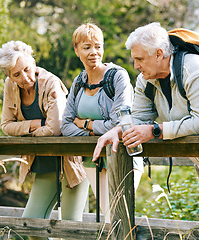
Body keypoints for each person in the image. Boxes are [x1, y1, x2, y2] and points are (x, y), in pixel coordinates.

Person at [93, 22, 199, 232]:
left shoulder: (195, 69)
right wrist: (116, 130)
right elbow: (139, 117)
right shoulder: (146, 80)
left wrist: (155, 130)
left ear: (159, 54)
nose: (136, 66)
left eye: (140, 59)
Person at [0, 40, 89, 240]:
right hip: (43, 163)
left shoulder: (50, 83)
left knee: (71, 231)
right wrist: (36, 124)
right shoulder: (10, 86)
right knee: (30, 225)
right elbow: (6, 126)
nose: (25, 78)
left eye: (27, 70)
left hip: (69, 163)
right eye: (16, 74)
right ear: (8, 75)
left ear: (33, 62)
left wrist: (25, 130)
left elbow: (55, 129)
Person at [60, 23, 143, 223]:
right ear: (76, 50)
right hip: (93, 159)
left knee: (118, 218)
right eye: (87, 47)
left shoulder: (118, 77)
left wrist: (86, 124)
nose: (93, 52)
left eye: (98, 46)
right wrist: (96, 132)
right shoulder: (79, 82)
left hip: (121, 156)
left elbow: (120, 123)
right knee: (110, 218)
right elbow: (66, 126)